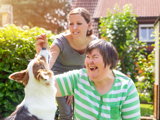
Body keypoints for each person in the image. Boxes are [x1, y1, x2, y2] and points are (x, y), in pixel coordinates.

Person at [54, 39, 141, 120]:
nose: (90, 61)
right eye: (88, 56)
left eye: (95, 57)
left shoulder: (126, 87)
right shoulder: (78, 78)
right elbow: (45, 85)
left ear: (110, 61)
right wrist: (43, 53)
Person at [35, 7, 98, 120]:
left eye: (79, 23)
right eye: (71, 23)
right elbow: (48, 64)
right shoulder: (61, 41)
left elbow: (92, 66)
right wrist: (41, 54)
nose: (74, 28)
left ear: (88, 26)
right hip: (58, 75)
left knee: (84, 112)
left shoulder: (94, 43)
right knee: (66, 112)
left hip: (80, 75)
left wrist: (74, 86)